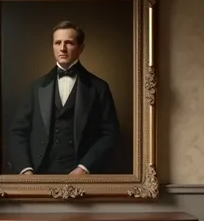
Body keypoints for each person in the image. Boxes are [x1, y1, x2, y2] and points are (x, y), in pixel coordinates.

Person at [8, 20, 120, 175]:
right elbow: (17, 132)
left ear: (81, 48)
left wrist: (84, 168)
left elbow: (110, 134)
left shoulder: (99, 87)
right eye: (57, 43)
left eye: (69, 43)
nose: (62, 48)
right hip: (39, 173)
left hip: (82, 175)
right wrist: (26, 169)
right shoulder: (36, 87)